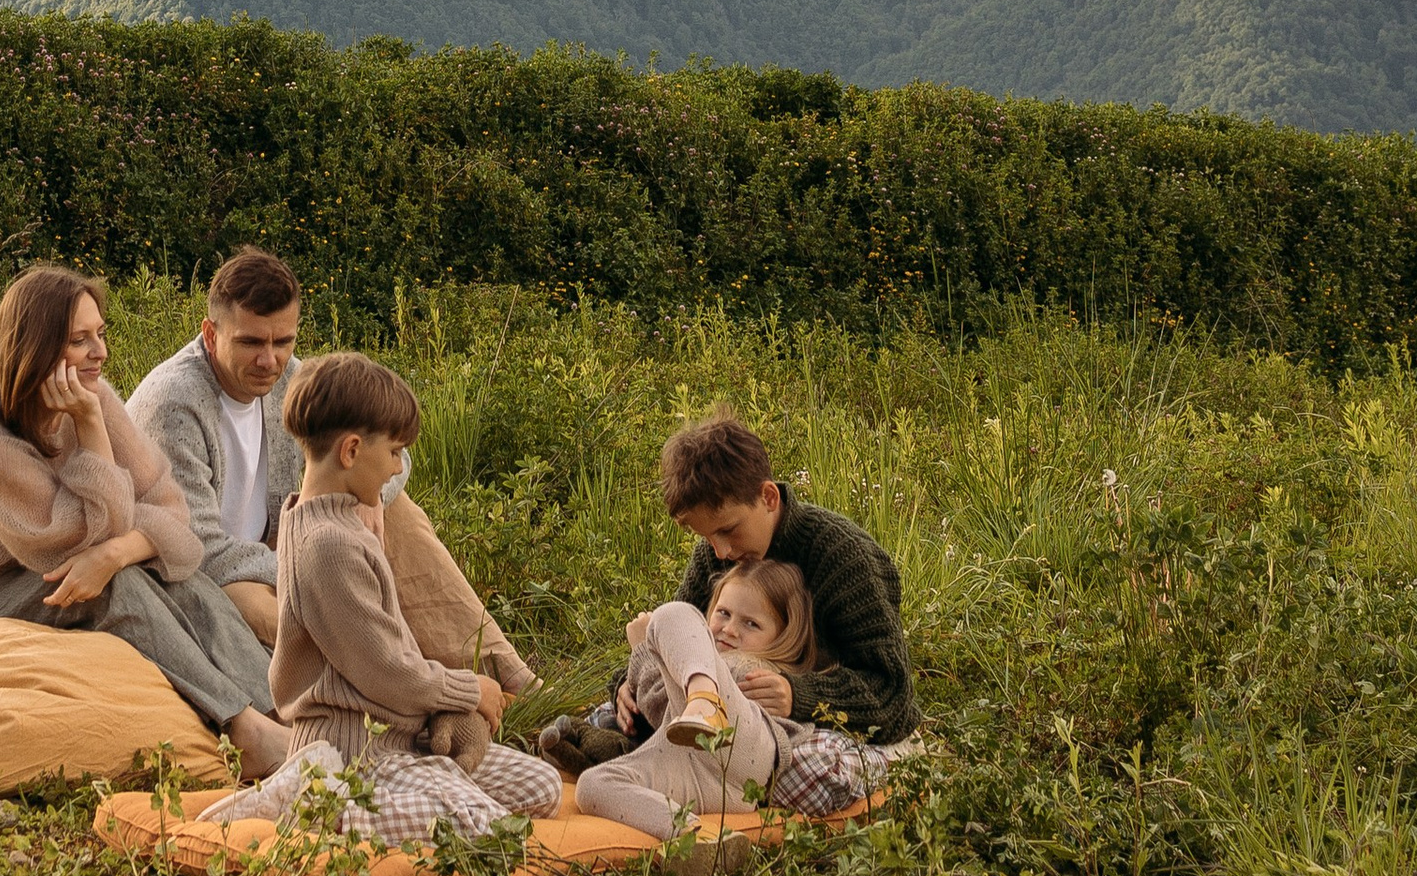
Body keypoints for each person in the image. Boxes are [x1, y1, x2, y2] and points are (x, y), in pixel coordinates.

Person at [0, 264, 290, 773]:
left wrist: (121, 549)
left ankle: (280, 710)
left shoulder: (95, 397)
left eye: (100, 334)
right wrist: (94, 438)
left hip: (34, 562)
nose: (100, 352)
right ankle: (240, 728)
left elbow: (176, 523)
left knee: (176, 576)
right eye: (79, 340)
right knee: (118, 589)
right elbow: (77, 545)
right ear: (36, 349)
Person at [202, 353, 561, 848]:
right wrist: (469, 691)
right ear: (351, 451)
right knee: (492, 830)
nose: (397, 468)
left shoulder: (344, 523)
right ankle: (323, 802)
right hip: (358, 752)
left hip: (402, 739)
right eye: (394, 453)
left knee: (542, 788)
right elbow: (385, 669)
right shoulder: (327, 545)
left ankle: (407, 792)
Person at [539, 411, 917, 781]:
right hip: (725, 712)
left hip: (807, 727)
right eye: (706, 537)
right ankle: (622, 755)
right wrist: (626, 686)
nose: (719, 552)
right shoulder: (715, 553)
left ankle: (636, 765)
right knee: (625, 712)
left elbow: (892, 693)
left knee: (806, 768)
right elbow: (678, 642)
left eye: (728, 530)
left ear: (768, 497)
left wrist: (797, 695)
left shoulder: (845, 557)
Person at [573, 558, 893, 840]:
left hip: (743, 751)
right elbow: (663, 709)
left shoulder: (751, 667)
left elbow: (658, 702)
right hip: (713, 783)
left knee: (671, 614)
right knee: (593, 786)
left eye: (750, 623)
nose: (729, 629)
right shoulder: (701, 658)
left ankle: (706, 703)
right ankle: (693, 836)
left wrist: (643, 648)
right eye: (723, 613)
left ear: (784, 639)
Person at [127, 247, 303, 646]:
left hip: (265, 551)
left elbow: (388, 449)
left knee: (396, 514)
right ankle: (369, 690)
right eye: (251, 342)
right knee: (288, 625)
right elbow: (196, 547)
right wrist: (300, 568)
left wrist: (369, 502)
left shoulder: (290, 377)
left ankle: (472, 655)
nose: (269, 360)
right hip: (198, 574)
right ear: (211, 334)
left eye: (283, 341)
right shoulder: (174, 402)